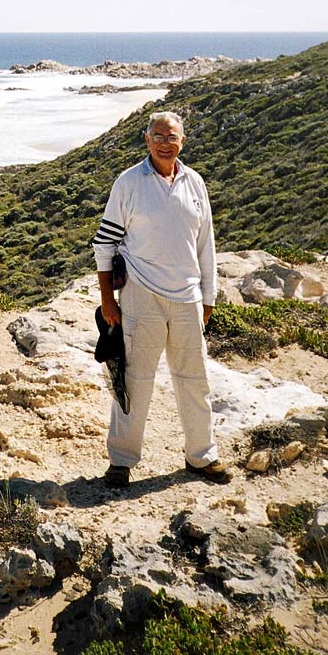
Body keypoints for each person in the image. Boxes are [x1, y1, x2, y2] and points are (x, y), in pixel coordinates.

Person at [92, 110, 232, 487]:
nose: (165, 142)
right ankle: (121, 461)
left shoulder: (195, 182)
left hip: (187, 297)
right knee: (135, 381)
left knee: (194, 379)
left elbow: (206, 244)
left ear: (182, 141)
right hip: (141, 295)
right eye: (158, 135)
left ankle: (201, 456)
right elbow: (104, 244)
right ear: (147, 139)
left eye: (171, 136)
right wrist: (109, 300)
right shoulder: (129, 183)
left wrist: (208, 296)